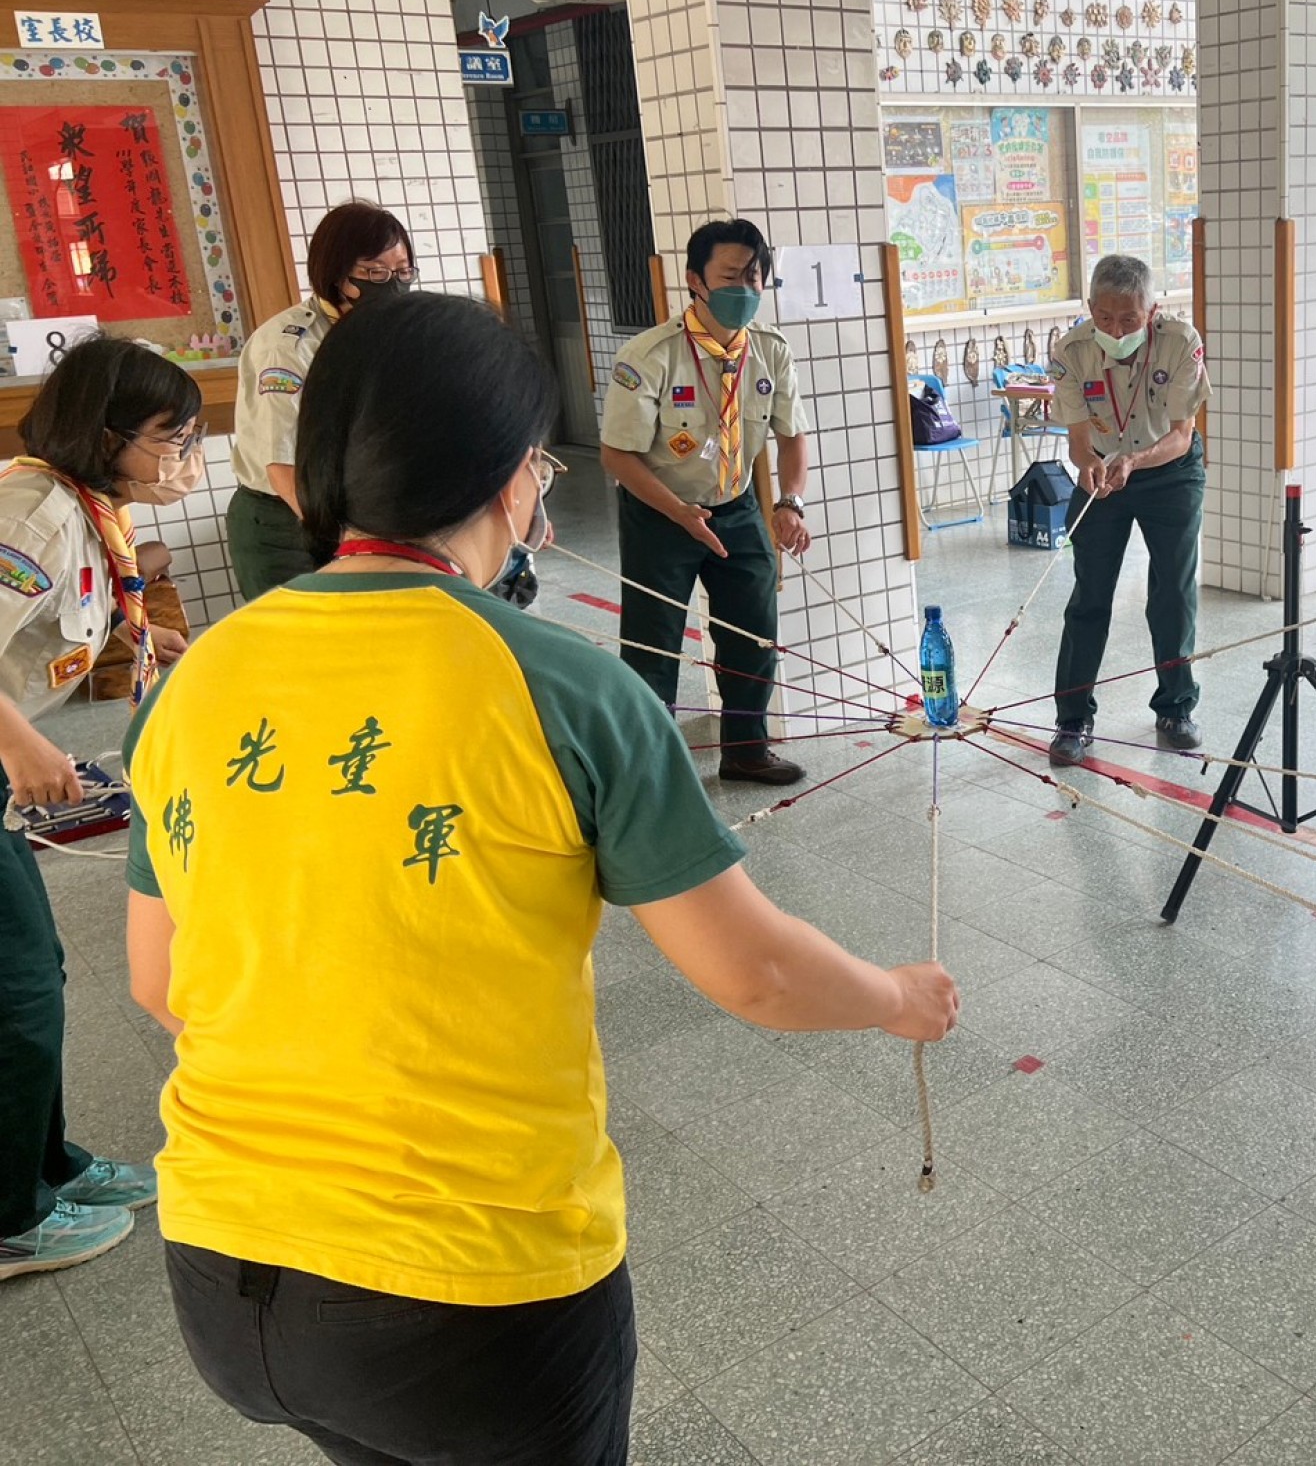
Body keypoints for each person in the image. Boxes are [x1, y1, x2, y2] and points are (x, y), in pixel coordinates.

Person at [122, 293, 958, 1465]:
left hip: (221, 1273)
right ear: (513, 478)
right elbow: (755, 974)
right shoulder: (565, 686)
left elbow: (158, 982)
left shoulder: (195, 680)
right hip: (469, 1300)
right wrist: (896, 998)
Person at [0, 339, 204, 1279]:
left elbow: (65, 616)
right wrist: (23, 745)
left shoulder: (89, 511)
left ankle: (47, 1168)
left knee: (33, 976)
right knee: (18, 993)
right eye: (171, 436)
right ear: (106, 432)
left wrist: (147, 632)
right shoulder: (33, 511)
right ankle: (11, 1218)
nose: (183, 454)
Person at [601, 218, 812, 787]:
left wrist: (789, 503)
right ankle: (647, 770)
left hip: (736, 507)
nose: (744, 288)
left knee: (753, 634)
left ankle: (746, 751)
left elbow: (793, 436)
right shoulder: (650, 355)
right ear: (695, 280)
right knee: (653, 644)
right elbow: (617, 455)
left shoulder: (769, 350)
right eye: (730, 276)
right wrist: (678, 513)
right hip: (660, 513)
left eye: (754, 277)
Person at [1046, 253, 1211, 766]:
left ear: (1152, 311)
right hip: (1102, 472)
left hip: (1169, 471)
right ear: (1090, 307)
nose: (1116, 330)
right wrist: (1089, 465)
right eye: (1105, 317)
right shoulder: (1071, 351)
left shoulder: (1180, 342)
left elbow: (1181, 435)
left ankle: (1176, 707)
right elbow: (1077, 440)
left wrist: (1135, 461)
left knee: (1173, 592)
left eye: (1129, 319)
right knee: (1090, 594)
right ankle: (1073, 719)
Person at [229, 200, 417, 600]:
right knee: (301, 633)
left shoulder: (390, 332)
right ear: (337, 273)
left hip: (355, 511)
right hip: (286, 519)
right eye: (375, 272)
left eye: (402, 271)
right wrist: (349, 538)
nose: (391, 284)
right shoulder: (288, 347)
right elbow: (282, 468)